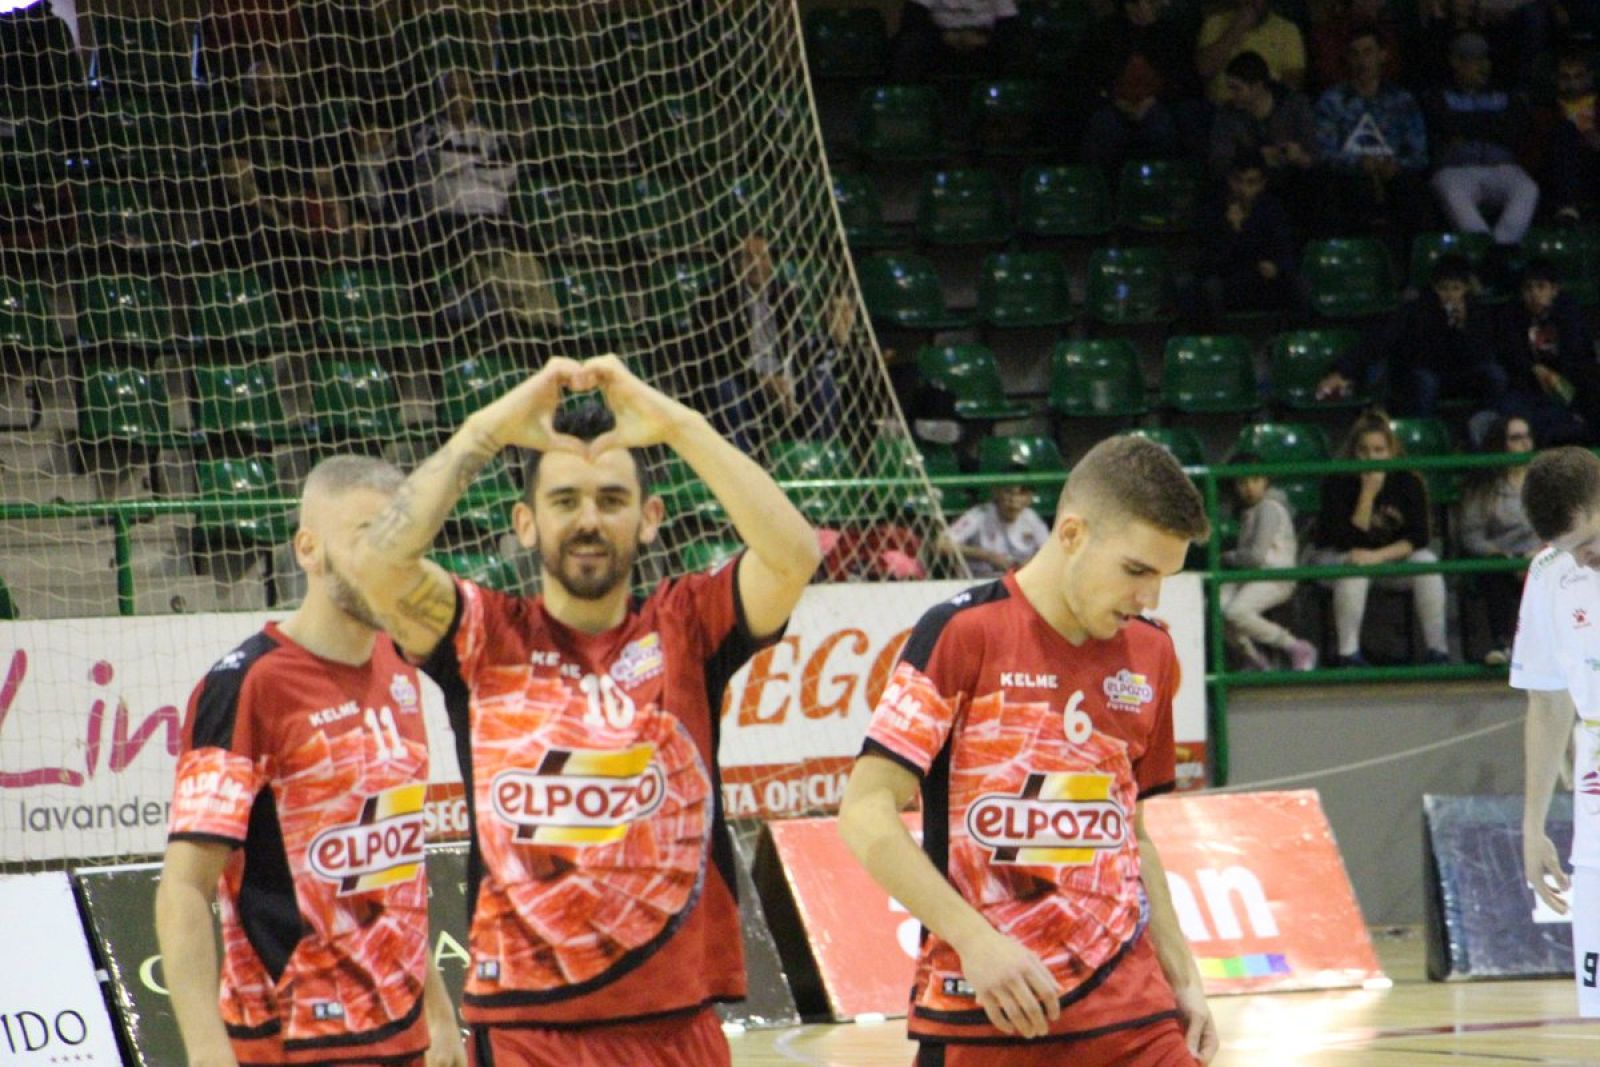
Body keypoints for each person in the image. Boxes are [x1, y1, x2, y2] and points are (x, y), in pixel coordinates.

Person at [346, 356, 821, 1066]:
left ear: (650, 516)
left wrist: (680, 426)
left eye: (610, 498)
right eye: (565, 500)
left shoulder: (686, 624)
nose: (589, 520)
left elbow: (793, 553)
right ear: (527, 523)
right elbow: (376, 567)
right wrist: (487, 428)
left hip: (677, 1020)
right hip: (529, 1028)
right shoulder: (484, 632)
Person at [838, 435, 1219, 1067]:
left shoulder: (1153, 654)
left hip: (1134, 1015)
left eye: (1164, 577)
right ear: (1071, 533)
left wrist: (1183, 976)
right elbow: (865, 811)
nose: (1149, 598)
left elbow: (1135, 834)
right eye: (1136, 571)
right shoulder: (963, 632)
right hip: (989, 1017)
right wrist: (975, 942)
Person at [154, 456, 465, 1067]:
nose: (387, 558)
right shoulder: (249, 685)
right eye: (366, 536)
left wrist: (438, 1011)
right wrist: (206, 1053)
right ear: (308, 549)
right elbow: (184, 888)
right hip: (289, 1040)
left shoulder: (401, 667)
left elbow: (387, 869)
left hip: (402, 1033)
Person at [1516, 447, 1600, 1015]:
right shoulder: (1550, 573)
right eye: (1573, 552)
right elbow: (1547, 706)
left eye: (1592, 543)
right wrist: (1532, 825)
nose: (1586, 561)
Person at [1306, 409, 1450, 667]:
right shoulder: (1338, 481)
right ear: (1354, 452)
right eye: (1364, 450)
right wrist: (1367, 495)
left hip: (1384, 558)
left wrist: (1376, 556)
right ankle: (1348, 655)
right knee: (1355, 569)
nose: (1371, 457)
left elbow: (1418, 537)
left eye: (1378, 450)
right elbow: (1345, 540)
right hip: (1334, 558)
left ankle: (1437, 651)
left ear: (1391, 451)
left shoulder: (1408, 481)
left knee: (1427, 562)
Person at [1317, 253, 1507, 418]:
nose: (1449, 295)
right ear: (1434, 287)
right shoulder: (1417, 310)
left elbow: (1481, 354)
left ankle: (1488, 429)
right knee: (1426, 382)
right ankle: (1422, 439)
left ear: (1466, 288)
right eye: (1443, 288)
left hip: (1462, 373)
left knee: (1495, 375)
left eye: (1455, 288)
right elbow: (1380, 341)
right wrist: (1342, 371)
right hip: (1426, 373)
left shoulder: (1477, 312)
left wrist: (1463, 328)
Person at [1312, 25, 1431, 243]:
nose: (1361, 61)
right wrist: (1358, 163)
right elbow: (1323, 152)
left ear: (1382, 55)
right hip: (1348, 178)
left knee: (1414, 191)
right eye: (1354, 54)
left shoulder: (1402, 100)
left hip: (1395, 175)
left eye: (1368, 52)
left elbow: (1419, 153)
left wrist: (1396, 165)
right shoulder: (1332, 100)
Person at [1424, 32, 1539, 250]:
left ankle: (1499, 250)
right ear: (1456, 62)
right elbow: (1443, 125)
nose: (1484, 66)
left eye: (1485, 59)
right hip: (1455, 169)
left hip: (1502, 167)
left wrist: (1466, 127)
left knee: (1527, 188)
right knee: (1452, 191)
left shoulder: (1504, 94)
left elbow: (1515, 129)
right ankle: (1487, 250)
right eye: (1475, 60)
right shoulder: (1438, 95)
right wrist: (1491, 125)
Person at [1221, 453, 1318, 671]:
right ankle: (1254, 658)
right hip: (1250, 577)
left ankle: (1295, 646)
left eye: (1255, 480)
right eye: (1242, 482)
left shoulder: (1269, 508)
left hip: (1275, 577)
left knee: (1235, 612)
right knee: (1216, 609)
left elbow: (1255, 557)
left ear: (1265, 480)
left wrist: (1229, 557)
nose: (1249, 487)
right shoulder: (1248, 512)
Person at [1458, 416, 1538, 665]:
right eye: (1515, 438)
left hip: (1543, 554)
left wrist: (1541, 552)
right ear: (1500, 444)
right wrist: (1504, 557)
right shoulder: (1485, 486)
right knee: (1494, 572)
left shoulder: (1547, 479)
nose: (1524, 444)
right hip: (1503, 556)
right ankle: (1503, 644)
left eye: (1527, 436)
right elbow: (1471, 534)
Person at [1192, 150, 1305, 324]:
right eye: (1238, 181)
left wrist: (1276, 266)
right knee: (1208, 288)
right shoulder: (1213, 209)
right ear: (1230, 180)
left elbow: (1286, 249)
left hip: (1262, 281)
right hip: (1229, 280)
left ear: (1262, 184)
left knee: (1298, 282)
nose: (1243, 189)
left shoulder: (1272, 209)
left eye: (1251, 182)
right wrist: (1232, 230)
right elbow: (1208, 261)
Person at [1497, 258, 1600, 445]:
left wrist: (1558, 380)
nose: (1534, 293)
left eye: (1540, 287)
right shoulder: (1511, 317)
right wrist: (1534, 369)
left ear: (1554, 289)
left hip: (1569, 385)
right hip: (1527, 387)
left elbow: (1579, 357)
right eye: (1528, 288)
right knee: (1510, 408)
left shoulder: (1570, 315)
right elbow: (1512, 356)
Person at [1196, 0, 1308, 103]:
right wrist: (1236, 28)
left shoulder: (1287, 30)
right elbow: (1204, 70)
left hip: (1267, 110)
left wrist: (1261, 103)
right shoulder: (1214, 23)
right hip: (1222, 108)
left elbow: (1293, 82)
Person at [939, 481, 1051, 578]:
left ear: (1029, 497)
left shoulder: (1031, 518)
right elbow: (942, 544)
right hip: (978, 581)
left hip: (1018, 581)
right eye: (1008, 492)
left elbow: (1049, 550)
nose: (1013, 499)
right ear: (996, 492)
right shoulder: (980, 514)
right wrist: (986, 555)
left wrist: (1029, 562)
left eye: (1021, 493)